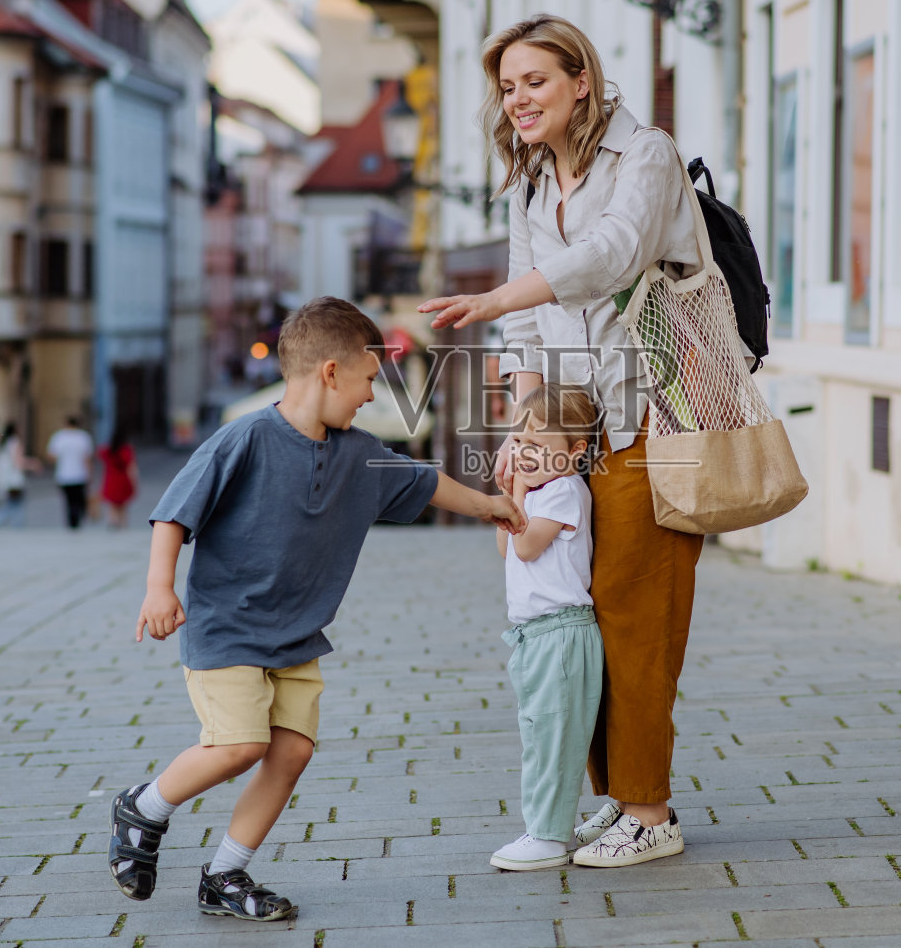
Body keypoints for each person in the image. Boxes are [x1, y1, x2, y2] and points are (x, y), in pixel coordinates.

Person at [107, 296, 525, 923]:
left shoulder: (359, 453)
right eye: (366, 380)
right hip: (228, 629)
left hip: (298, 636)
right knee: (240, 744)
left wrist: (490, 505)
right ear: (331, 372)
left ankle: (224, 874)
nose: (368, 395)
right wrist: (159, 588)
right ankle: (145, 806)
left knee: (292, 752)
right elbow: (174, 512)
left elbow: (425, 482)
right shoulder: (245, 437)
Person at [418, 14, 706, 867]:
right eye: (507, 87)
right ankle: (620, 798)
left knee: (636, 617)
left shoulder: (643, 155)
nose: (517, 100)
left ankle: (650, 814)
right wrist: (528, 426)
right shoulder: (532, 183)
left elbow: (615, 255)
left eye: (534, 80)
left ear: (582, 79)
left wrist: (500, 300)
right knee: (578, 615)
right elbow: (537, 323)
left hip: (655, 414)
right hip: (578, 424)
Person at [490, 384, 604, 871]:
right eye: (519, 444)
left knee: (552, 738)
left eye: (539, 447)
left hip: (561, 633)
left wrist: (515, 491)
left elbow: (527, 546)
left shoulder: (562, 492)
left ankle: (549, 837)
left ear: (576, 453)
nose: (526, 455)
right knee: (539, 732)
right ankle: (547, 828)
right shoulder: (541, 493)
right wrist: (511, 498)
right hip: (537, 635)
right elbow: (505, 547)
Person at [0, 421, 40, 528]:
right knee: (16, 505)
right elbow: (18, 463)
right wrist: (33, 464)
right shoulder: (15, 443)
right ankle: (1, 522)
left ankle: (1, 522)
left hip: (3, 479)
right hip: (14, 479)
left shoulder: (1, 444)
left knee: (12, 504)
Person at [46, 414, 94, 529]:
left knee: (68, 500)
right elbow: (87, 459)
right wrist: (90, 474)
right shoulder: (83, 437)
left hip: (64, 475)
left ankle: (72, 521)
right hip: (80, 474)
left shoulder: (59, 437)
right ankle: (77, 518)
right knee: (78, 499)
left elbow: (51, 456)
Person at [98, 426, 138, 530]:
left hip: (111, 479)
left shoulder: (108, 450)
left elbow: (100, 453)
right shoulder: (126, 450)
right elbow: (131, 467)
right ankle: (123, 524)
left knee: (112, 504)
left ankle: (113, 521)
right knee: (123, 505)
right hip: (123, 480)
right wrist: (134, 482)